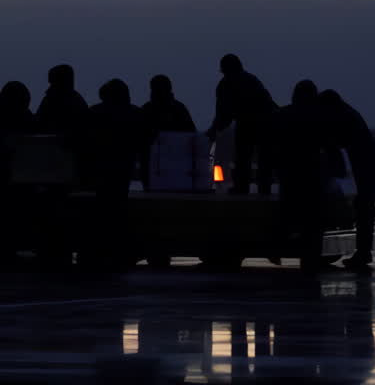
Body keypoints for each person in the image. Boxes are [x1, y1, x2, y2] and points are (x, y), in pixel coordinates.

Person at [82, 79, 148, 267]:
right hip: (122, 166)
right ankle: (119, 248)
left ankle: (99, 248)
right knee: (118, 207)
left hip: (100, 166)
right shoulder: (136, 114)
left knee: (102, 208)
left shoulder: (94, 113)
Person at [319, 89, 375, 268]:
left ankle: (363, 253)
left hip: (365, 165)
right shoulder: (347, 113)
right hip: (367, 163)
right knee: (364, 208)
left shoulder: (342, 116)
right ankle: (363, 253)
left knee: (363, 208)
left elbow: (332, 143)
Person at [0, 81, 38, 262]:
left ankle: (4, 247)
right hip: (22, 174)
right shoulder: (27, 116)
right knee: (17, 212)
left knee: (0, 211)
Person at [274, 80, 330, 269]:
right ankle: (311, 256)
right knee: (313, 218)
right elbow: (328, 144)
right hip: (312, 171)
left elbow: (273, 142)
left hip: (289, 170)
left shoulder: (283, 114)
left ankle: (279, 248)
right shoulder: (320, 116)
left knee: (287, 211)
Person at [205, 54, 279, 194]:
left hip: (252, 124)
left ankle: (243, 189)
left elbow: (222, 116)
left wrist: (212, 132)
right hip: (266, 124)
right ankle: (262, 190)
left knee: (244, 157)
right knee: (261, 161)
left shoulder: (226, 85)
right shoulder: (252, 80)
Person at [140, 74, 197, 189]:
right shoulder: (179, 108)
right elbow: (191, 133)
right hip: (175, 164)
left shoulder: (147, 109)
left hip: (154, 163)